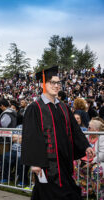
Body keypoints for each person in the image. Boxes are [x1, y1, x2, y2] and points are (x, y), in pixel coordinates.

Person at [21, 66, 95, 200]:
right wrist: (35, 162)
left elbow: (75, 130)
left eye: (58, 82)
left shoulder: (63, 107)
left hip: (65, 162)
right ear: (43, 84)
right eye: (52, 82)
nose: (56, 86)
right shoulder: (35, 108)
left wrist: (86, 146)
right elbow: (31, 136)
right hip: (47, 164)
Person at [73, 117, 104, 198]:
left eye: (90, 127)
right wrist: (78, 159)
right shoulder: (86, 136)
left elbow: (102, 154)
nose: (87, 129)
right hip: (83, 161)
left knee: (96, 169)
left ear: (96, 130)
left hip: (95, 162)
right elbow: (78, 149)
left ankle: (99, 194)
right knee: (74, 164)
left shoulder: (102, 138)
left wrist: (91, 163)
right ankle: (84, 191)